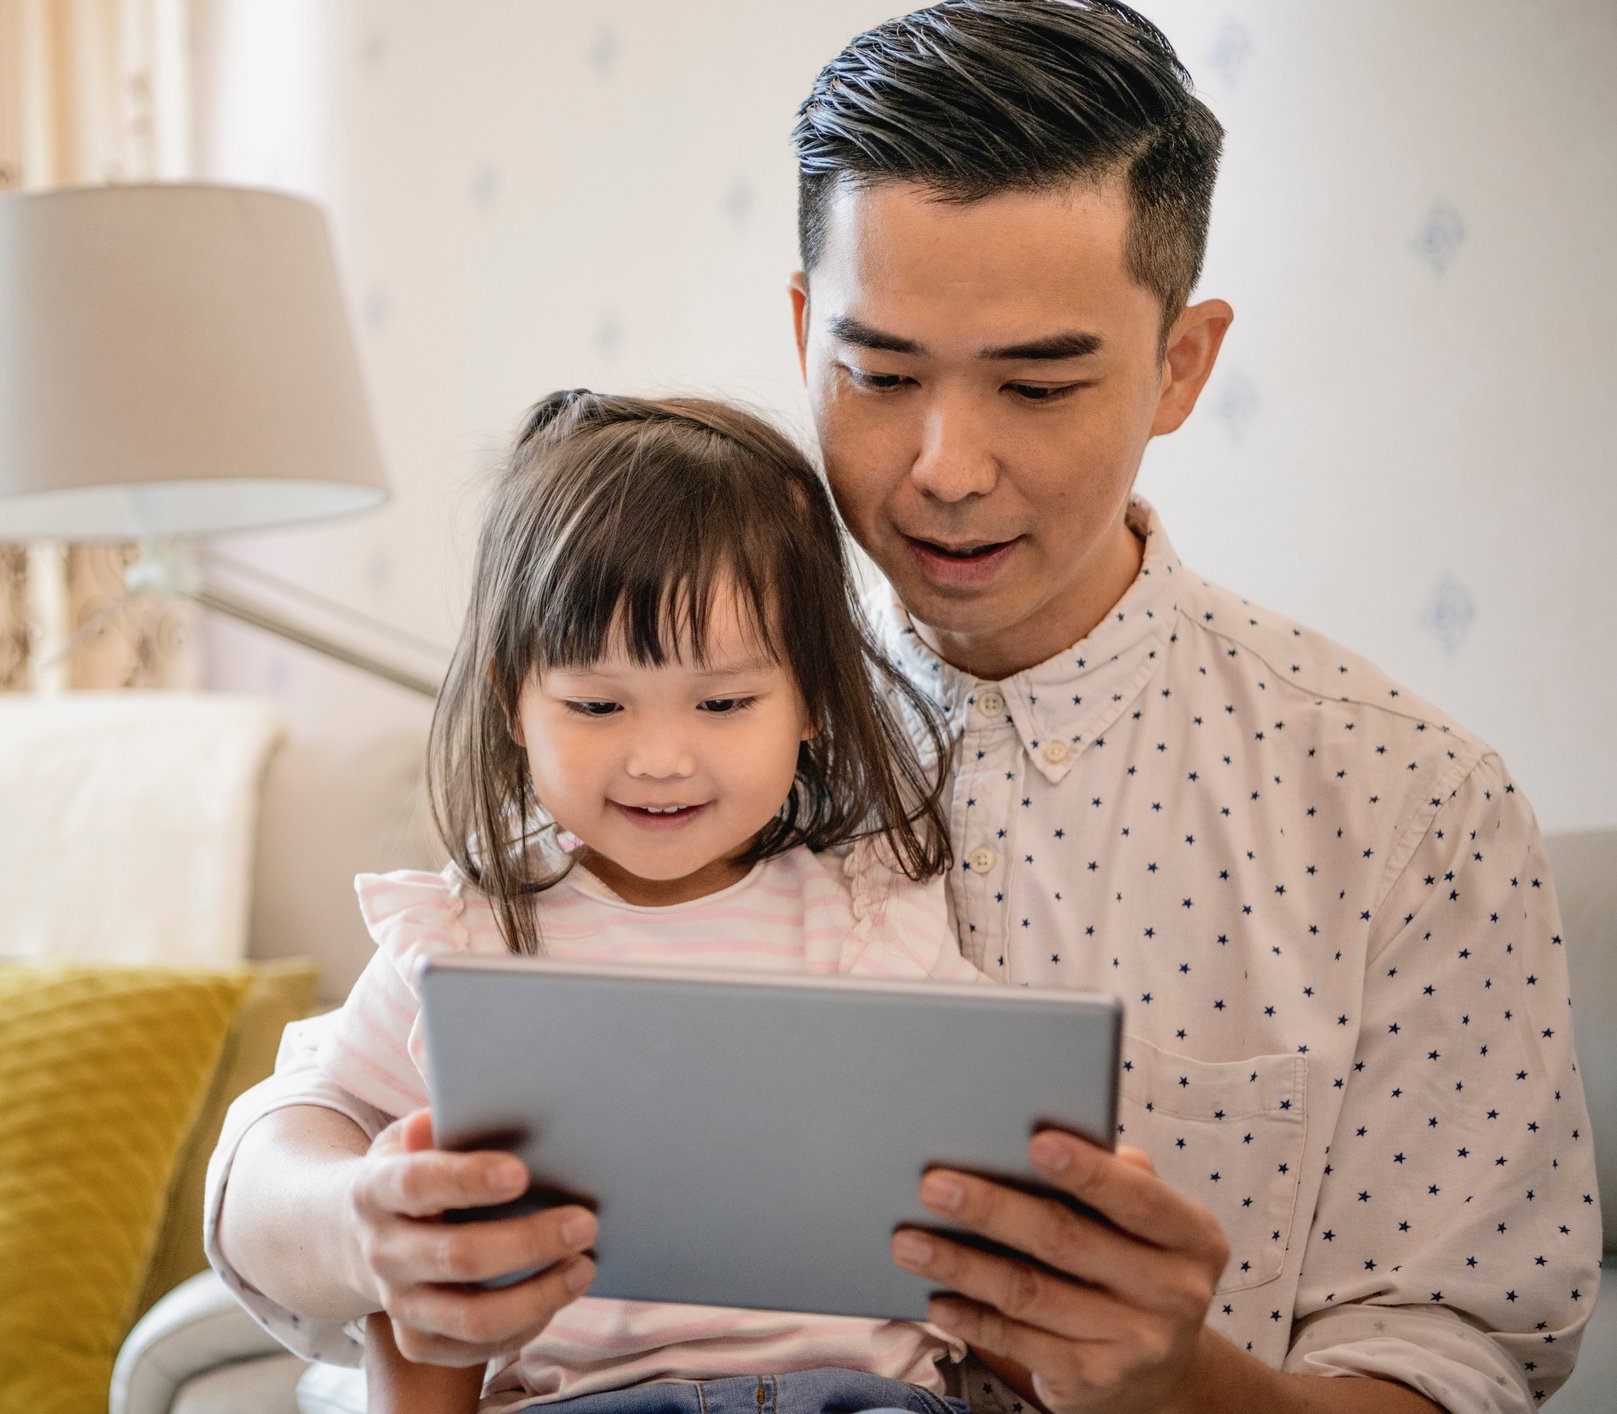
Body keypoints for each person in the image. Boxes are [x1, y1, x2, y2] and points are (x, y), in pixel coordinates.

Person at [204, 4, 1599, 1412]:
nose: (946, 467)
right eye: (880, 374)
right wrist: (360, 1223)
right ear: (805, 329)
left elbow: (1467, 1357)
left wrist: (1182, 1382)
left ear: (1180, 365)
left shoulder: (1415, 807)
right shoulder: (672, 726)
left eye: (1038, 382)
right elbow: (291, 1143)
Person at [328, 388, 987, 1414]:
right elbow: (371, 1226)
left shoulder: (870, 919)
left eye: (723, 703)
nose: (661, 758)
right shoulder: (459, 939)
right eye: (597, 705)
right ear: (513, 697)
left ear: (812, 694)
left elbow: (982, 1183)